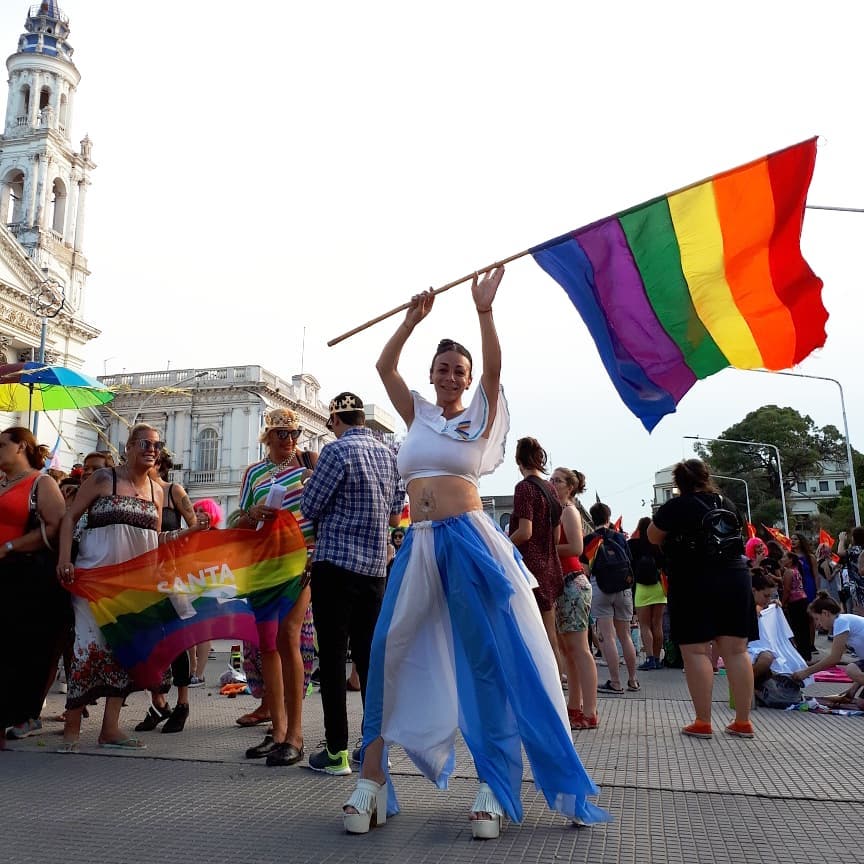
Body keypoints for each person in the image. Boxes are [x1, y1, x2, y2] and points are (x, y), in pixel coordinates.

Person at [344, 268, 607, 838]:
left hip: (468, 539)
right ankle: (370, 781)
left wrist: (484, 313)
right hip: (419, 542)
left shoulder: (477, 417)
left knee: (487, 657)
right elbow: (384, 369)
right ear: (432, 375)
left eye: (457, 371)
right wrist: (412, 321)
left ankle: (494, 784)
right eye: (442, 369)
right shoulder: (417, 413)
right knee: (387, 648)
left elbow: (493, 368)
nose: (450, 376)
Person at [55, 424, 209, 752]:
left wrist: (186, 535)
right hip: (94, 580)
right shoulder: (103, 479)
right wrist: (65, 558)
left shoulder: (157, 490)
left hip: (133, 585)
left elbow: (153, 541)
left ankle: (110, 729)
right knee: (87, 648)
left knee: (123, 652)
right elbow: (70, 517)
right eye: (145, 443)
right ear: (128, 447)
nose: (152, 449)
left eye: (157, 444)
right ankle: (71, 729)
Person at [300, 391, 404, 777]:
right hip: (375, 571)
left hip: (336, 566)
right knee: (369, 660)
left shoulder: (335, 452)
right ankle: (374, 746)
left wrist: (312, 480)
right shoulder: (389, 455)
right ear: (363, 418)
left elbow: (310, 506)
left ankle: (336, 750)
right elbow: (395, 518)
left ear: (335, 422)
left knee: (331, 659)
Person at [647, 459, 757, 739]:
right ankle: (743, 721)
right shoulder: (727, 503)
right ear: (707, 477)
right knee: (736, 650)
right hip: (734, 576)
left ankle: (703, 721)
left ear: (678, 483)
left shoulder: (677, 506)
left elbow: (652, 536)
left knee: (696, 651)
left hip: (692, 579)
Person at [235, 408, 316, 766]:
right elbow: (238, 518)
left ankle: (296, 734)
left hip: (300, 562)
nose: (290, 440)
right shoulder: (253, 473)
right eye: (282, 434)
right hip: (263, 562)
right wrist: (252, 514)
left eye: (295, 433)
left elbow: (320, 517)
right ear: (267, 437)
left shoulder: (309, 470)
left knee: (288, 635)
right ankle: (278, 730)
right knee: (267, 643)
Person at [0, 428, 68, 747]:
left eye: (2, 445)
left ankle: (18, 716)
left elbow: (54, 527)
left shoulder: (41, 482)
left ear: (21, 448)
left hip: (23, 576)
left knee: (19, 649)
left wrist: (11, 546)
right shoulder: (1, 483)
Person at [134, 448, 199, 734]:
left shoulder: (173, 491)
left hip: (172, 574)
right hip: (142, 577)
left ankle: (182, 703)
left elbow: (195, 526)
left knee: (177, 640)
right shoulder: (135, 493)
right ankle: (158, 702)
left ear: (159, 464)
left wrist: (177, 546)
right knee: (148, 641)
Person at [509, 437, 564, 672]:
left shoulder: (524, 488)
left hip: (529, 568)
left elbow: (525, 531)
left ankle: (537, 682)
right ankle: (556, 681)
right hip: (551, 566)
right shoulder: (550, 489)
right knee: (550, 633)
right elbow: (556, 536)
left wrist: (501, 546)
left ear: (518, 460)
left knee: (527, 631)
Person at [549, 466, 597, 730]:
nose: (552, 483)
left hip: (572, 582)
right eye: (551, 479)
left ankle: (589, 709)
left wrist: (545, 548)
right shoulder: (558, 511)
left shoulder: (569, 510)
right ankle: (574, 705)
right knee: (568, 649)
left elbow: (577, 548)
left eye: (557, 480)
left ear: (570, 486)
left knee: (579, 648)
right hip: (562, 583)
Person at [584, 502, 639, 694]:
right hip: (623, 588)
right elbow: (629, 560)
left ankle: (615, 682)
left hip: (601, 587)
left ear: (592, 519)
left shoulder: (589, 539)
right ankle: (633, 680)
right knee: (625, 636)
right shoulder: (619, 537)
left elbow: (586, 569)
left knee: (608, 637)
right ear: (609, 518)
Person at [792, 592, 864, 701]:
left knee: (851, 669)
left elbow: (834, 658)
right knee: (861, 703)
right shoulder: (843, 621)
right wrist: (852, 690)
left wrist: (805, 672)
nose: (817, 624)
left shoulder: (841, 622)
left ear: (825, 613)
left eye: (817, 618)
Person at [629, 516, 667, 671]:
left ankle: (650, 658)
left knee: (644, 625)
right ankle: (658, 659)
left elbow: (629, 564)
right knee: (657, 624)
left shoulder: (633, 545)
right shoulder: (658, 545)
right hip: (658, 586)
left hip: (642, 587)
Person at [779, 550, 811, 662]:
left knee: (797, 629)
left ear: (790, 559)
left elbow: (787, 590)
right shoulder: (796, 570)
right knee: (804, 629)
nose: (782, 559)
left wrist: (782, 603)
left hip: (795, 603)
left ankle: (801, 655)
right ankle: (806, 654)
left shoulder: (789, 572)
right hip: (803, 600)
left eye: (784, 557)